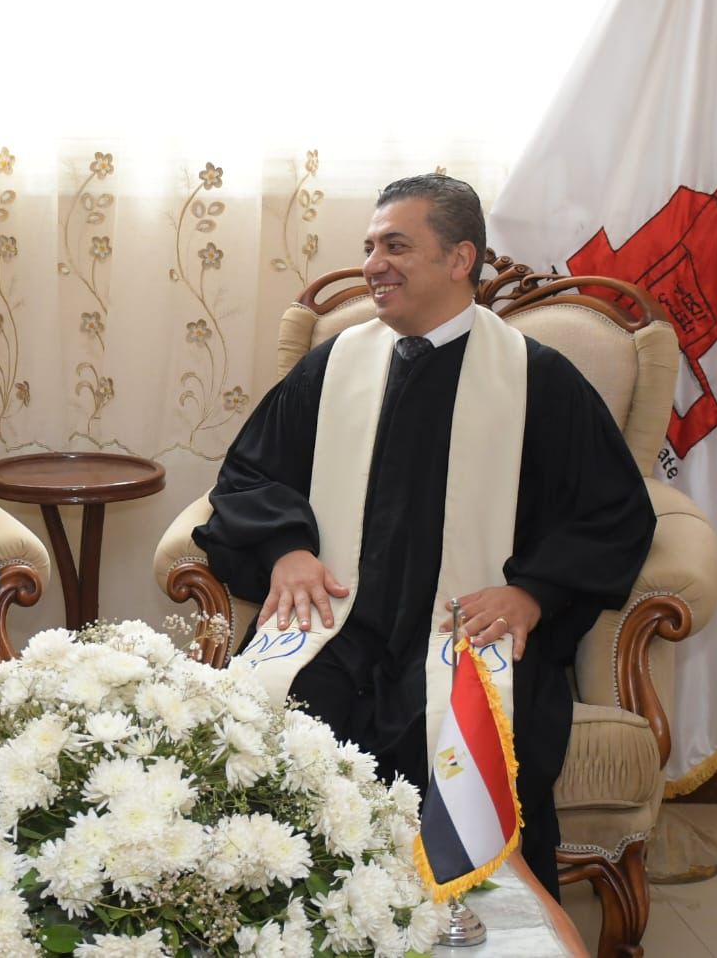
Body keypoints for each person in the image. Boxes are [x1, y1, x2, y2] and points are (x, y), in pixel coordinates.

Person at [194, 174, 655, 897]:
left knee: (444, 732)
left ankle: (447, 919)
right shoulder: (334, 365)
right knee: (275, 717)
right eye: (370, 247)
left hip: (463, 625)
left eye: (396, 246)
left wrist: (533, 593)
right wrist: (288, 551)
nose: (373, 264)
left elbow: (614, 511)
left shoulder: (537, 380)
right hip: (340, 622)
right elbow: (249, 476)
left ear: (460, 258)